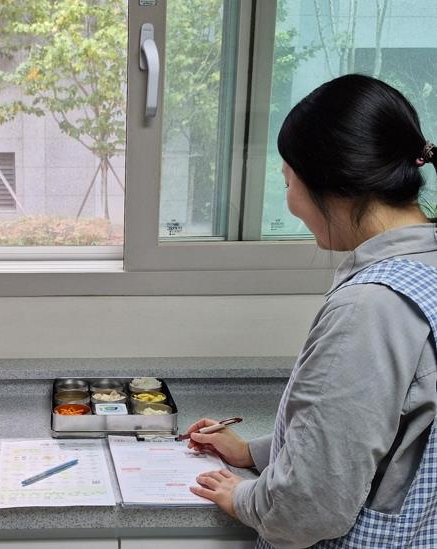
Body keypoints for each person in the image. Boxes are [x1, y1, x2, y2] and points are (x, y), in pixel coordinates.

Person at [186, 74, 437, 548]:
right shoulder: (425, 270)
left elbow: (309, 506)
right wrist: (256, 453)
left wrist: (244, 497)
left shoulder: (370, 307)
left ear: (331, 182)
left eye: (288, 180)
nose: (290, 202)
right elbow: (387, 436)